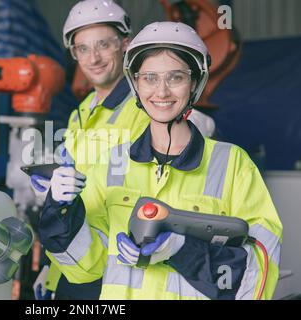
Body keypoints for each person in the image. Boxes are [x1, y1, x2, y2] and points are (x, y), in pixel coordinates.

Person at [38, 21, 283, 300]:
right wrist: (59, 210)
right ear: (136, 83)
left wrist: (181, 250)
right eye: (150, 78)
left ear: (195, 83)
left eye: (176, 77)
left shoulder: (233, 164)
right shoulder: (110, 164)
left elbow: (259, 275)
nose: (162, 92)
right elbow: (84, 267)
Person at [30, 0, 150, 300]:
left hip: (120, 273)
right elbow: (73, 203)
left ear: (125, 44)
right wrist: (51, 267)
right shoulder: (80, 114)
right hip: (75, 268)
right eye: (82, 48)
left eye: (103, 45)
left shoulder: (146, 110)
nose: (93, 58)